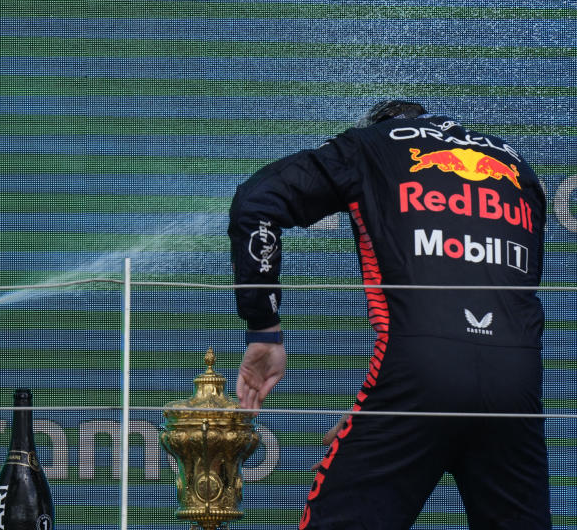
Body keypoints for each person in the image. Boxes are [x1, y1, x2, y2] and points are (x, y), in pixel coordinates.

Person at [228, 101, 551, 528]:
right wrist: (383, 405)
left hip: (414, 378)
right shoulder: (517, 165)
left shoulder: (370, 145)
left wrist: (263, 331)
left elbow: (257, 202)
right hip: (516, 385)